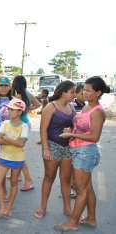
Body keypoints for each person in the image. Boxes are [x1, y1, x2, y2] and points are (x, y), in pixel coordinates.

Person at [54, 76, 109, 231]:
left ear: (98, 93)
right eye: (84, 89)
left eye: (88, 90)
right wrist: (71, 131)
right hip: (79, 151)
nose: (84, 92)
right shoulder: (86, 107)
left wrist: (73, 135)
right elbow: (82, 128)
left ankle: (73, 223)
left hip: (85, 152)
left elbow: (94, 137)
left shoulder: (97, 111)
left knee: (81, 190)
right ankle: (91, 219)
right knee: (87, 187)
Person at [33, 81, 76, 219]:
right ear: (63, 92)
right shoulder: (51, 107)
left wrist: (71, 130)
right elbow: (43, 129)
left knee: (66, 179)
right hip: (52, 145)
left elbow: (73, 127)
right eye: (72, 92)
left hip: (67, 147)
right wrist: (45, 148)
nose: (74, 94)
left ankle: (67, 208)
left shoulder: (71, 107)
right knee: (49, 178)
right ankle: (42, 207)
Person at [0, 98, 29, 219]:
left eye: (12, 109)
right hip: (4, 157)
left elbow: (21, 144)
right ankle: (2, 208)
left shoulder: (24, 126)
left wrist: (6, 139)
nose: (9, 111)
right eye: (9, 109)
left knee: (13, 183)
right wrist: (12, 141)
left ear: (19, 112)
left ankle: (8, 208)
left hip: (17, 159)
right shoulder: (5, 123)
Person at [11, 75, 41, 192]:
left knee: (18, 153)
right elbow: (38, 104)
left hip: (19, 125)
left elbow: (14, 112)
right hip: (25, 122)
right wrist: (27, 109)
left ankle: (28, 181)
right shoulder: (27, 93)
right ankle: (18, 176)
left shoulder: (17, 96)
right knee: (16, 151)